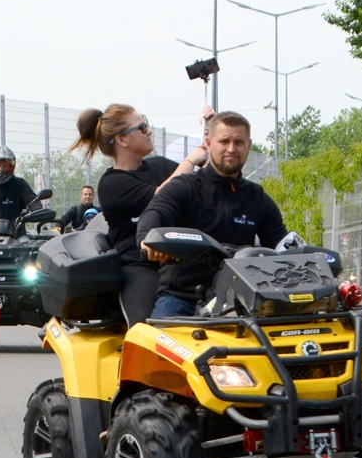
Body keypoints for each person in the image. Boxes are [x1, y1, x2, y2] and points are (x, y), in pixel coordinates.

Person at [68, 104, 211, 326]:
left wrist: (212, 134)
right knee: (143, 327)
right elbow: (163, 196)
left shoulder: (160, 165)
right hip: (141, 264)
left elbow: (207, 181)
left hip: (179, 261)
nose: (149, 131)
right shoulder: (112, 183)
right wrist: (189, 161)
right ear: (122, 139)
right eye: (142, 127)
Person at [137, 110, 288, 318]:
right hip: (182, 298)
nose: (231, 148)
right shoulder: (183, 187)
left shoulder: (257, 198)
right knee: (156, 337)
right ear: (208, 144)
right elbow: (154, 214)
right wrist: (147, 241)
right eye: (224, 141)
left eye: (239, 142)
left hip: (239, 302)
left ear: (249, 145)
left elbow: (283, 245)